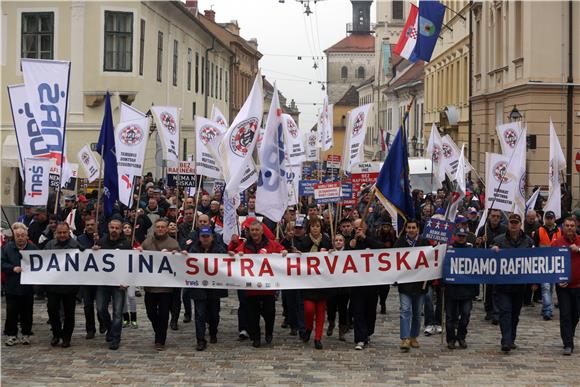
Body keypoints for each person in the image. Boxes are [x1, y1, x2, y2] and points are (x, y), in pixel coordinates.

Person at [231, 220, 287, 347]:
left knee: (269, 312)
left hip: (268, 287)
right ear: (249, 232)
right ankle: (256, 337)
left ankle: (269, 332)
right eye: (252, 230)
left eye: (257, 230)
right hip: (251, 288)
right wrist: (236, 254)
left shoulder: (271, 244)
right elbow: (234, 255)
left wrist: (283, 252)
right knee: (252, 314)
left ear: (262, 231)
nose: (255, 233)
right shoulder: (245, 245)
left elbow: (281, 251)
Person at [491, 213, 534, 353]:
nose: (514, 225)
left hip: (519, 286)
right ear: (508, 224)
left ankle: (512, 338)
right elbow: (488, 260)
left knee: (515, 315)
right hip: (502, 285)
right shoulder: (499, 240)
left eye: (516, 222)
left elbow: (535, 261)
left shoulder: (528, 241)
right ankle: (506, 340)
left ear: (520, 224)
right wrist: (493, 250)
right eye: (511, 222)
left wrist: (535, 282)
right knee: (505, 312)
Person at [140, 218, 183, 351]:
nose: (160, 229)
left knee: (164, 314)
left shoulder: (173, 243)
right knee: (151, 313)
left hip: (166, 287)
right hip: (150, 286)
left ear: (166, 228)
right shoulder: (147, 242)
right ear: (154, 228)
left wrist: (177, 255)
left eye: (163, 227)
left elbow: (180, 263)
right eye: (158, 227)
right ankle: (158, 330)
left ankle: (160, 340)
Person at [94, 219, 132, 350]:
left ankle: (115, 338)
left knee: (117, 312)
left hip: (119, 283)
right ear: (108, 228)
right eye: (112, 227)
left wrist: (127, 281)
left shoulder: (126, 244)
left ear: (121, 230)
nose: (114, 230)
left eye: (117, 228)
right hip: (103, 282)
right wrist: (93, 251)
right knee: (100, 309)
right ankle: (110, 328)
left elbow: (130, 265)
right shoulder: (101, 242)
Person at [188, 226, 228, 351]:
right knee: (199, 314)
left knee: (214, 313)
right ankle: (200, 340)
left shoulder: (219, 249)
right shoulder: (193, 249)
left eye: (207, 236)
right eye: (203, 236)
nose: (205, 239)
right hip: (199, 286)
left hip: (214, 286)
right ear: (199, 237)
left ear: (212, 237)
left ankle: (213, 332)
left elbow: (225, 262)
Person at [394, 219, 431, 352]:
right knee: (405, 310)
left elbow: (431, 260)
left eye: (413, 227)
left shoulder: (424, 242)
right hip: (405, 284)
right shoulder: (400, 242)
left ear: (418, 229)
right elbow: (394, 260)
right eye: (408, 227)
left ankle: (414, 336)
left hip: (420, 284)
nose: (411, 230)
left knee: (416, 312)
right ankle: (404, 338)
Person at [296, 217, 332, 350]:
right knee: (309, 309)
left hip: (322, 282)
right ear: (309, 228)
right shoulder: (304, 242)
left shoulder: (327, 241)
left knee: (321, 311)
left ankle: (318, 338)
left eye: (317, 226)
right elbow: (297, 257)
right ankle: (309, 327)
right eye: (313, 226)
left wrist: (333, 252)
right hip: (308, 281)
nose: (315, 228)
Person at [44, 222, 80, 348]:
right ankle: (56, 333)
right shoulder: (49, 245)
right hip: (53, 285)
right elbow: (41, 261)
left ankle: (66, 337)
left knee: (69, 313)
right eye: (60, 233)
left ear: (69, 232)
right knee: (52, 310)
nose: (62, 235)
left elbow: (86, 258)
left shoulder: (76, 245)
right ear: (56, 233)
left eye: (65, 232)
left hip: (70, 286)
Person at [348, 219, 382, 350]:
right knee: (358, 311)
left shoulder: (372, 238)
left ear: (366, 227)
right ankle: (360, 338)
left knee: (370, 311)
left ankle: (367, 332)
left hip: (372, 282)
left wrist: (365, 238)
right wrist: (350, 246)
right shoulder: (352, 241)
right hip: (357, 283)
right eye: (356, 228)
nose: (358, 230)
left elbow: (381, 248)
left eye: (360, 228)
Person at [1, 223, 36, 346]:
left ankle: (26, 334)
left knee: (27, 312)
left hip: (27, 287)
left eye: (22, 235)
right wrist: (12, 268)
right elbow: (2, 263)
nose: (20, 238)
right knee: (12, 312)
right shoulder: (7, 248)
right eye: (17, 236)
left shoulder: (33, 248)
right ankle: (12, 334)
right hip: (12, 286)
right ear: (14, 236)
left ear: (27, 236)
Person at [444, 228, 479, 349]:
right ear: (455, 236)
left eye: (463, 236)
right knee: (450, 318)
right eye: (459, 236)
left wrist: (476, 290)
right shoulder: (448, 250)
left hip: (467, 289)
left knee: (465, 315)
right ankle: (450, 339)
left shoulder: (472, 250)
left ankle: (461, 336)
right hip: (451, 289)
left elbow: (477, 269)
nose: (461, 238)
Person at [551, 217, 580, 356]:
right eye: (567, 225)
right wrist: (557, 280)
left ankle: (570, 334)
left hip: (578, 286)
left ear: (576, 227)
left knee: (576, 315)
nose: (569, 228)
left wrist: (578, 249)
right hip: (563, 287)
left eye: (572, 225)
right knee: (565, 315)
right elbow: (550, 264)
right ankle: (568, 343)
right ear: (563, 227)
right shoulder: (557, 243)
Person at [477, 209, 507, 324]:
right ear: (489, 217)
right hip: (487, 264)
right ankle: (489, 309)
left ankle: (497, 312)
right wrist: (479, 242)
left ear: (500, 218)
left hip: (500, 264)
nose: (495, 218)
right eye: (493, 216)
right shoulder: (483, 229)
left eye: (497, 216)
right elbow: (477, 246)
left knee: (497, 289)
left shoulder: (504, 229)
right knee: (488, 288)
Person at [77, 217, 105, 339]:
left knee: (100, 306)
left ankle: (103, 321)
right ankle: (90, 329)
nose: (89, 227)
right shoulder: (80, 238)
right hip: (86, 278)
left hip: (99, 277)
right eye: (87, 224)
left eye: (92, 224)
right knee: (87, 305)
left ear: (96, 225)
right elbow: (79, 251)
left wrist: (99, 244)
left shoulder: (103, 237)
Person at [533, 210, 561, 320]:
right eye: (548, 218)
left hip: (555, 263)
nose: (549, 220)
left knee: (550, 288)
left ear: (554, 219)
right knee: (545, 287)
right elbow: (534, 248)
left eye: (551, 218)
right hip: (543, 263)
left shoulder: (559, 231)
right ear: (545, 219)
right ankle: (548, 310)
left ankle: (545, 307)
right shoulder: (538, 231)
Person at [326, 233, 350, 342]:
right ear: (333, 242)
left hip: (344, 287)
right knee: (331, 308)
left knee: (343, 309)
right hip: (332, 286)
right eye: (336, 240)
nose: (338, 242)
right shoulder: (330, 253)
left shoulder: (348, 253)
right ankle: (331, 322)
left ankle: (342, 330)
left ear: (344, 242)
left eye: (340, 240)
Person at [121, 222, 139, 329]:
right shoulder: (120, 242)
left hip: (132, 273)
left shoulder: (135, 242)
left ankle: (134, 318)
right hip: (121, 272)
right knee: (123, 298)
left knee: (131, 296)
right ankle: (125, 318)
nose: (127, 229)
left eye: (129, 227)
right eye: (125, 228)